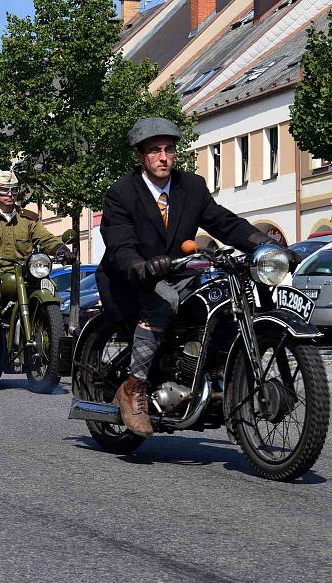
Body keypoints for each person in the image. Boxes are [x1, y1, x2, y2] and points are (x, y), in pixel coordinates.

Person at [97, 117, 273, 438]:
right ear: (140, 155)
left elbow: (223, 222)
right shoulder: (121, 193)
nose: (163, 157)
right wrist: (140, 265)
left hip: (177, 274)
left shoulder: (191, 187)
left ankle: (223, 375)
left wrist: (263, 243)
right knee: (162, 303)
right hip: (130, 278)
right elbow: (120, 242)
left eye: (168, 150)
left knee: (223, 299)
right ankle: (133, 387)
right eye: (154, 151)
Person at [0, 170, 74, 358]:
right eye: (4, 190)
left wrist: (61, 249)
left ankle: (51, 333)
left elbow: (45, 238)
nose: (9, 194)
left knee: (49, 288)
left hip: (24, 273)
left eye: (13, 190)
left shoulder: (28, 219)